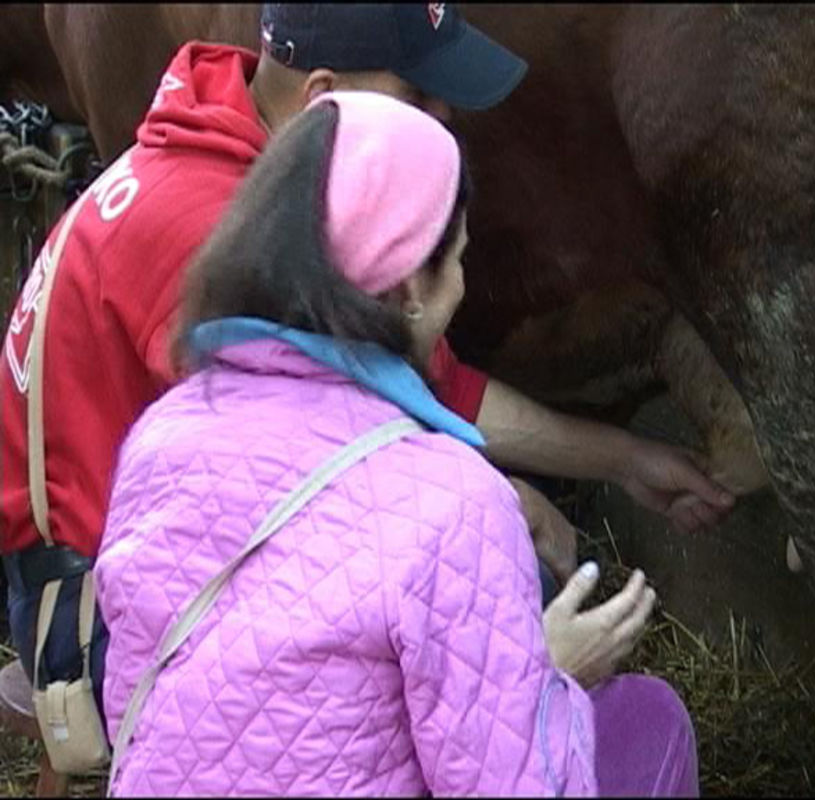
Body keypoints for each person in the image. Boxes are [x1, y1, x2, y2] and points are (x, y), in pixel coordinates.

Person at [0, 3, 732, 736]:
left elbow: (432, 386)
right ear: (323, 96)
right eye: (417, 94)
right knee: (485, 584)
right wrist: (495, 508)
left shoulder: (256, 154)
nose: (442, 117)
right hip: (90, 611)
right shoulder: (210, 237)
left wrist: (627, 461)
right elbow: (295, 499)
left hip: (170, 542)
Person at [96, 88, 699, 797]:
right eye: (460, 259)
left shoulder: (158, 439)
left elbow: (136, 714)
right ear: (412, 283)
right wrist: (549, 677)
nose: (463, 284)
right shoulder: (455, 503)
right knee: (647, 719)